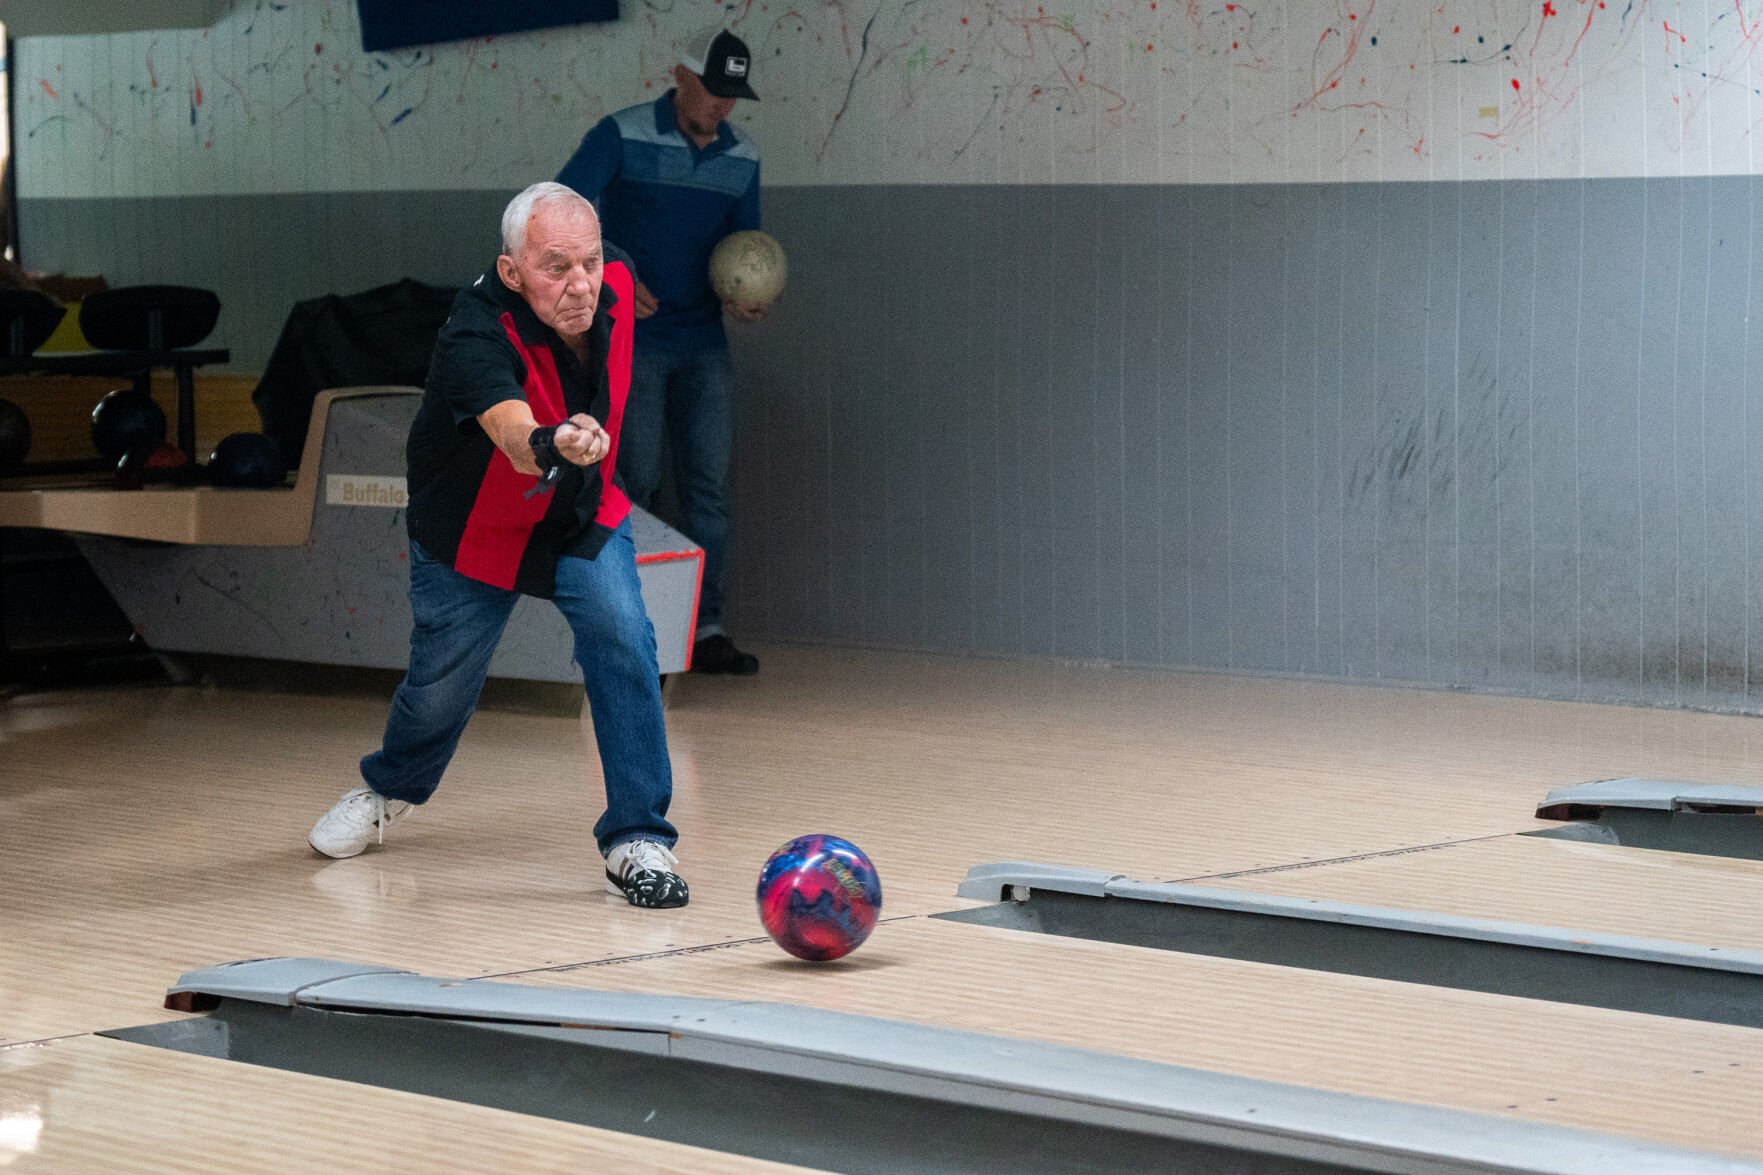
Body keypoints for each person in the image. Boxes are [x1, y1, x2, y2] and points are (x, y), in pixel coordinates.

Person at [307, 182, 688, 910]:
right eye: (554, 267)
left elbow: (612, 265)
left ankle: (637, 838)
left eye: (588, 260)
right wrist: (554, 439)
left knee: (623, 637)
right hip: (475, 527)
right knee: (438, 690)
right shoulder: (472, 332)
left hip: (579, 513)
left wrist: (575, 459)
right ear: (512, 271)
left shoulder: (612, 277)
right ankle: (389, 788)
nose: (578, 282)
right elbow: (513, 436)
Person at [556, 25, 764, 676]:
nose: (721, 105)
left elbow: (745, 249)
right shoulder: (620, 134)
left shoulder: (743, 156)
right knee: (634, 481)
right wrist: (612, 267)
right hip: (632, 341)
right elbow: (559, 208)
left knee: (707, 490)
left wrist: (746, 295)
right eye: (711, 89)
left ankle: (704, 630)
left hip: (704, 342)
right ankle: (630, 630)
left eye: (732, 94)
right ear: (679, 74)